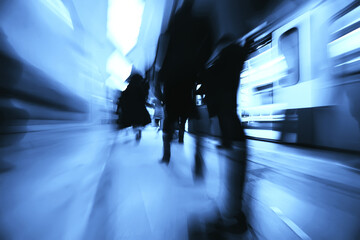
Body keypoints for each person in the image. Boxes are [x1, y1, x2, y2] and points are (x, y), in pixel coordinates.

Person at [199, 35, 252, 233]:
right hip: (233, 131)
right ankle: (234, 215)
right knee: (234, 179)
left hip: (229, 132)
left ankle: (231, 219)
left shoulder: (222, 64)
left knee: (231, 177)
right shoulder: (233, 61)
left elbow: (204, 80)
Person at [155, 0, 213, 174]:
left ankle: (166, 155)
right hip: (189, 76)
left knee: (170, 118)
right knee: (191, 113)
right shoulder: (201, 21)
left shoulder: (172, 25)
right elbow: (208, 44)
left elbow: (163, 51)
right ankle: (198, 157)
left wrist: (160, 80)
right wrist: (199, 65)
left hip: (172, 78)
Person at [117, 73, 151, 141]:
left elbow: (123, 98)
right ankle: (138, 130)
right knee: (138, 120)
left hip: (130, 109)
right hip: (139, 109)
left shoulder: (128, 88)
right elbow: (143, 97)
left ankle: (136, 129)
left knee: (132, 120)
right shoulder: (140, 88)